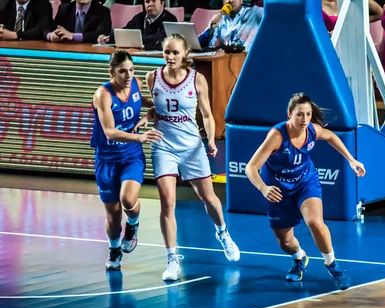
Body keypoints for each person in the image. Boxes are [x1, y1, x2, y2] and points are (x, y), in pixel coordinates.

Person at [245, 93, 366, 291]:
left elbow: (331, 136)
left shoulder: (312, 130)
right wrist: (263, 188)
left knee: (315, 222)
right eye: (300, 115)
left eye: (308, 114)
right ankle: (299, 257)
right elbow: (250, 167)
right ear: (289, 114)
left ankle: (332, 264)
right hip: (278, 189)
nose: (305, 120)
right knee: (285, 242)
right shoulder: (276, 137)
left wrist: (351, 159)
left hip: (305, 182)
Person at [145, 34, 240, 282]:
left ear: (185, 54)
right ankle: (172, 259)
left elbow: (207, 114)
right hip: (163, 145)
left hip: (191, 146)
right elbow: (156, 106)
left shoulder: (197, 80)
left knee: (208, 198)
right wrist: (147, 116)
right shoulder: (152, 77)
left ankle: (223, 233)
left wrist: (210, 139)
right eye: (167, 52)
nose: (170, 57)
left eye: (175, 52)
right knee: (167, 201)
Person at [91, 50, 160, 270]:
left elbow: (146, 101)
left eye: (131, 70)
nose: (128, 75)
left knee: (128, 200)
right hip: (107, 159)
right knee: (112, 215)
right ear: (111, 72)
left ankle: (133, 225)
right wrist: (140, 136)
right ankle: (114, 249)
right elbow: (110, 132)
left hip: (131, 156)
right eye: (122, 71)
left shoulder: (136, 84)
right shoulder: (103, 94)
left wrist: (155, 108)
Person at [97, 0, 177, 50]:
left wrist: (137, 40)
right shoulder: (139, 17)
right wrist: (108, 38)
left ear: (162, 3)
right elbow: (125, 32)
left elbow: (162, 39)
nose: (150, 4)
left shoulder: (170, 19)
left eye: (154, 1)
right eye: (147, 1)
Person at [198, 0, 263, 51]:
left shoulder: (255, 13)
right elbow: (200, 46)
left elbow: (271, 12)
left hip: (249, 61)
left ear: (242, 0)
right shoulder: (220, 19)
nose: (231, 0)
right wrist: (210, 30)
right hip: (225, 62)